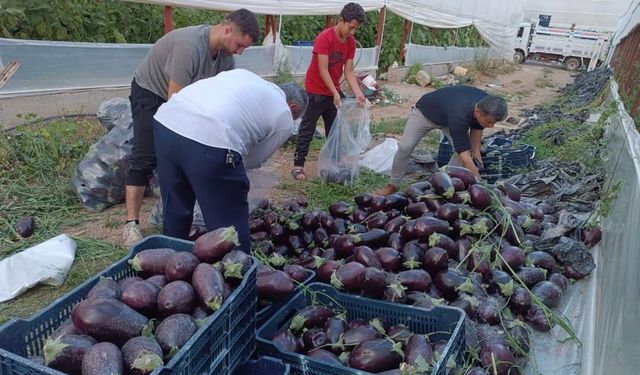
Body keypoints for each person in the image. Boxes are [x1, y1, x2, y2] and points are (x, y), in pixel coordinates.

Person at [123, 9, 260, 246]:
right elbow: (174, 102)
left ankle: (166, 200)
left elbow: (221, 98)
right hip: (152, 92)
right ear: (227, 29)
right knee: (145, 156)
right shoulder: (189, 46)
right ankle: (131, 224)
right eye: (239, 45)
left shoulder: (226, 58)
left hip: (181, 97)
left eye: (243, 48)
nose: (239, 51)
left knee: (178, 154)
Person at [152, 69, 308, 253]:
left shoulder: (246, 76)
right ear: (292, 107)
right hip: (211, 138)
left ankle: (171, 262)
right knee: (228, 227)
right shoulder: (283, 115)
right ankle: (236, 273)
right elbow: (254, 159)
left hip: (167, 122)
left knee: (176, 207)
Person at [383, 85, 508, 194]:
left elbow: (477, 126)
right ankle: (393, 184)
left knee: (464, 154)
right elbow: (464, 154)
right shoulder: (460, 114)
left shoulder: (486, 103)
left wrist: (476, 152)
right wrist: (479, 182)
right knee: (405, 146)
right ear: (478, 111)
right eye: (489, 122)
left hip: (450, 116)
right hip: (426, 113)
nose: (491, 126)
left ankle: (445, 184)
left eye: (494, 123)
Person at [291, 2, 367, 181]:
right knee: (307, 128)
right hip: (315, 90)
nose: (352, 32)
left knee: (335, 129)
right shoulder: (325, 38)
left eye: (355, 29)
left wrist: (358, 92)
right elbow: (323, 69)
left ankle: (333, 164)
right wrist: (334, 92)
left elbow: (348, 71)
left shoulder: (351, 43)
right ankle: (298, 165)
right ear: (341, 20)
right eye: (350, 27)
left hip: (333, 90)